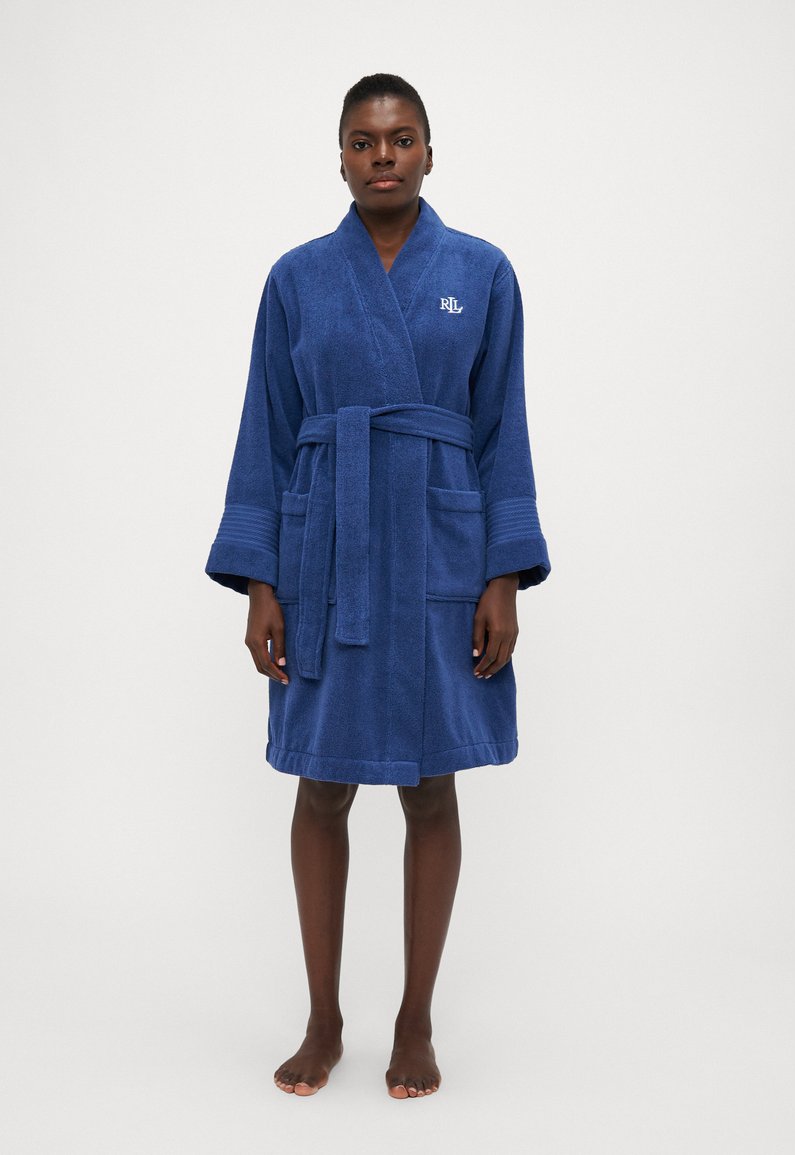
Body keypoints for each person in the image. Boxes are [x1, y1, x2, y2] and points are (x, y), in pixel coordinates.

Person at [204, 73, 552, 1099]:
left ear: (430, 153)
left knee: (429, 783)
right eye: (363, 140)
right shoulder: (297, 279)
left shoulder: (481, 272)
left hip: (442, 551)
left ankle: (415, 1021)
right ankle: (323, 1019)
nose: (383, 156)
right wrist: (262, 578)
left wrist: (502, 572)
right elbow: (266, 432)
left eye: (401, 139)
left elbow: (503, 429)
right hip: (327, 554)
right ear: (342, 158)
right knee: (321, 783)